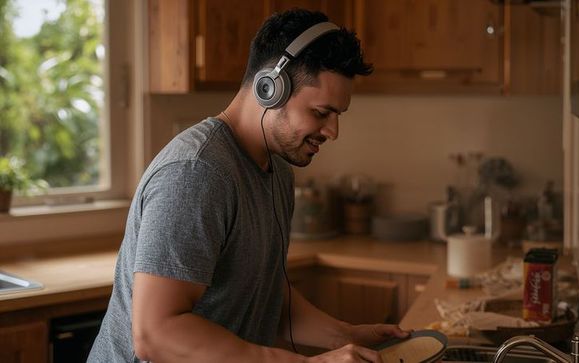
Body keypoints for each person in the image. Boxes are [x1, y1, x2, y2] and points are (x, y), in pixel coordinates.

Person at [89, 8, 408, 363]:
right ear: (270, 88)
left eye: (337, 115)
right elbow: (156, 334)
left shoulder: (277, 171)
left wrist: (342, 335)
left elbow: (264, 293)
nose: (333, 131)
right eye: (321, 113)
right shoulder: (198, 172)